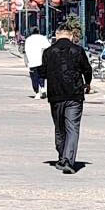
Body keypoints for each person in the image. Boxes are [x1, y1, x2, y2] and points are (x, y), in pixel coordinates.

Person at [41, 23, 93, 173]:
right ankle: (68, 160)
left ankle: (62, 157)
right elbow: (87, 69)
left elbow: (42, 73)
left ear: (57, 35)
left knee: (59, 128)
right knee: (73, 127)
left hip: (55, 95)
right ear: (71, 35)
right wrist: (87, 83)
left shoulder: (48, 52)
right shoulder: (78, 50)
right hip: (75, 94)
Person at [23, 29, 51, 97]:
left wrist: (26, 61)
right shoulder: (43, 38)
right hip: (41, 61)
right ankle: (42, 87)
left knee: (34, 77)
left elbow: (25, 51)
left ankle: (37, 93)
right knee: (41, 76)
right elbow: (48, 48)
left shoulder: (28, 39)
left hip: (32, 61)